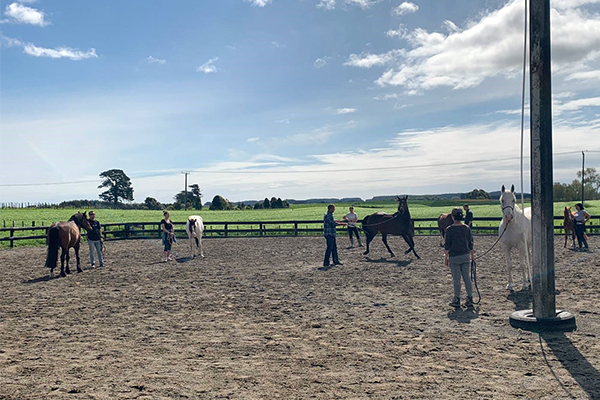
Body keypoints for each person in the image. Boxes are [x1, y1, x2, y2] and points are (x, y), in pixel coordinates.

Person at [444, 207, 475, 308]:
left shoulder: (449, 230)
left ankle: (457, 299)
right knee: (467, 278)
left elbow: (447, 246)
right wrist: (472, 256)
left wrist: (446, 258)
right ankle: (470, 297)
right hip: (465, 256)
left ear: (452, 217)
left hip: (454, 257)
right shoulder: (466, 228)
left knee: (456, 279)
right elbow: (471, 243)